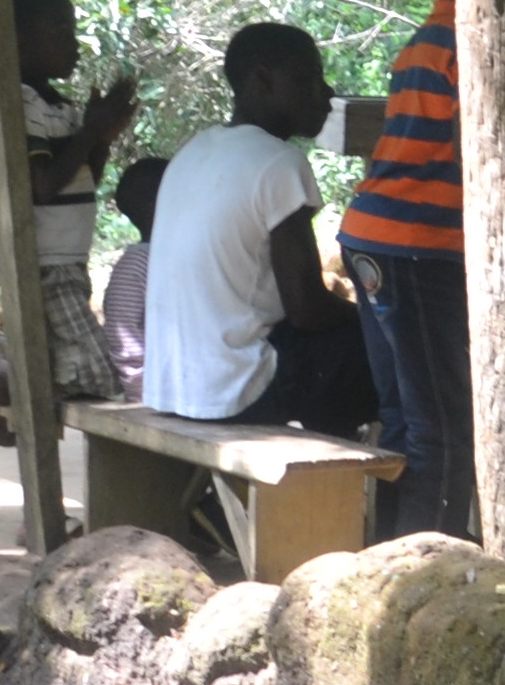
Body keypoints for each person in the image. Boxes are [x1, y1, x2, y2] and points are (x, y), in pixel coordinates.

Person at [145, 23, 377, 436]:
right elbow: (306, 309)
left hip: (172, 387)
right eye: (309, 78)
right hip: (236, 390)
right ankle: (376, 469)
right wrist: (369, 318)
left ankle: (335, 452)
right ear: (263, 80)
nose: (326, 93)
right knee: (382, 346)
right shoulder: (278, 162)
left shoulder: (193, 151)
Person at [340, 0, 474, 544]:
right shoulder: (471, 44)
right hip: (419, 246)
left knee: (404, 416)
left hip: (374, 236)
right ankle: (432, 564)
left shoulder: (425, 40)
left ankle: (393, 550)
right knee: (442, 426)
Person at [0, 0, 140, 440]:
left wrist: (101, 138)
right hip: (41, 262)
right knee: (97, 379)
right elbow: (40, 186)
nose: (74, 44)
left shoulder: (57, 105)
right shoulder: (20, 104)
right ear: (19, 39)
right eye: (61, 31)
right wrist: (90, 132)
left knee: (63, 369)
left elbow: (83, 179)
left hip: (68, 260)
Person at [97, 155, 166, 399]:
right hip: (154, 396)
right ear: (154, 204)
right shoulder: (137, 263)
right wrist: (142, 391)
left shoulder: (176, 255)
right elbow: (125, 343)